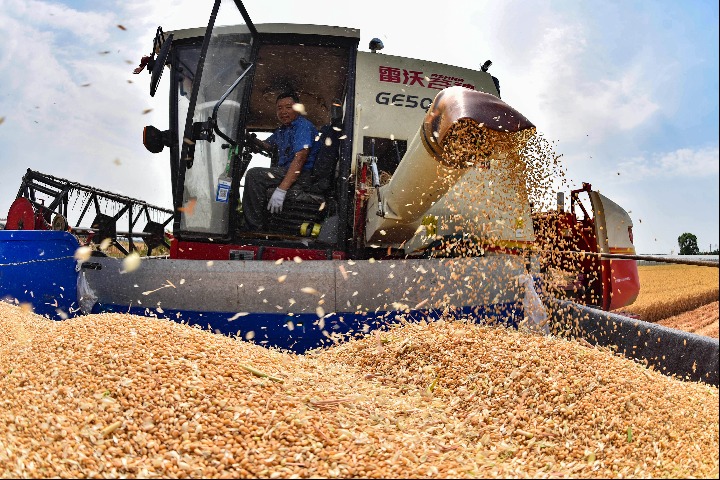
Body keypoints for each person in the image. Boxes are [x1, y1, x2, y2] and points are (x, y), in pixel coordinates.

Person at [242, 91, 320, 231]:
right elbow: (267, 145)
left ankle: (253, 228)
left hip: (302, 175)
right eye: (279, 108)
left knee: (255, 175)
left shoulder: (302, 126)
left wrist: (282, 189)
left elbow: (300, 158)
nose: (283, 111)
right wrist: (249, 138)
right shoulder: (282, 130)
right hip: (286, 172)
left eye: (288, 107)